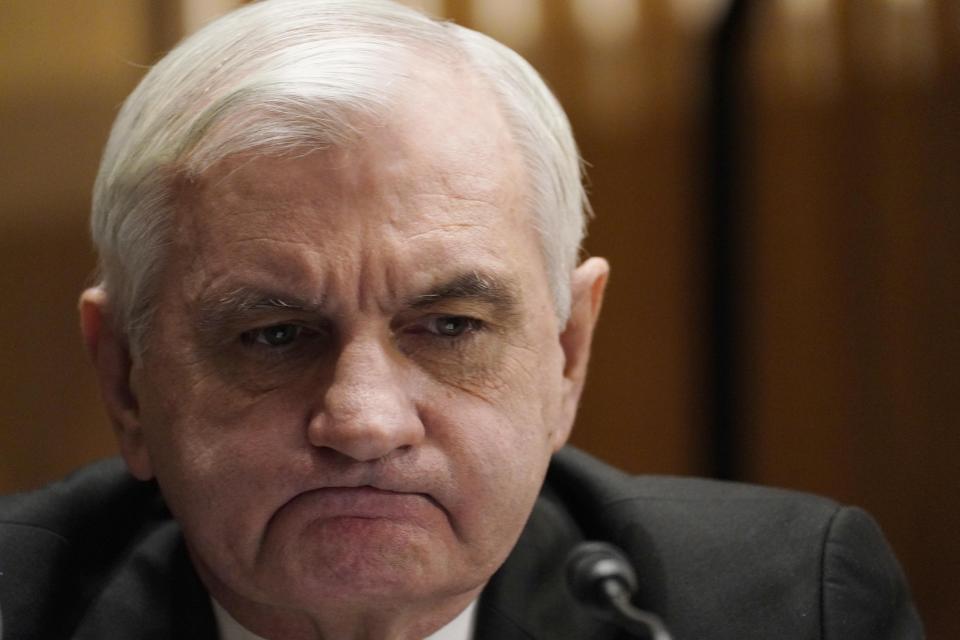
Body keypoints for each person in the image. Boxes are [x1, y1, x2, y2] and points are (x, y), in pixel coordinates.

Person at [0, 1, 922, 639]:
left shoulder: (786, 610)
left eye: (448, 326)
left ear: (567, 355)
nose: (363, 422)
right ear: (125, 376)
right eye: (274, 335)